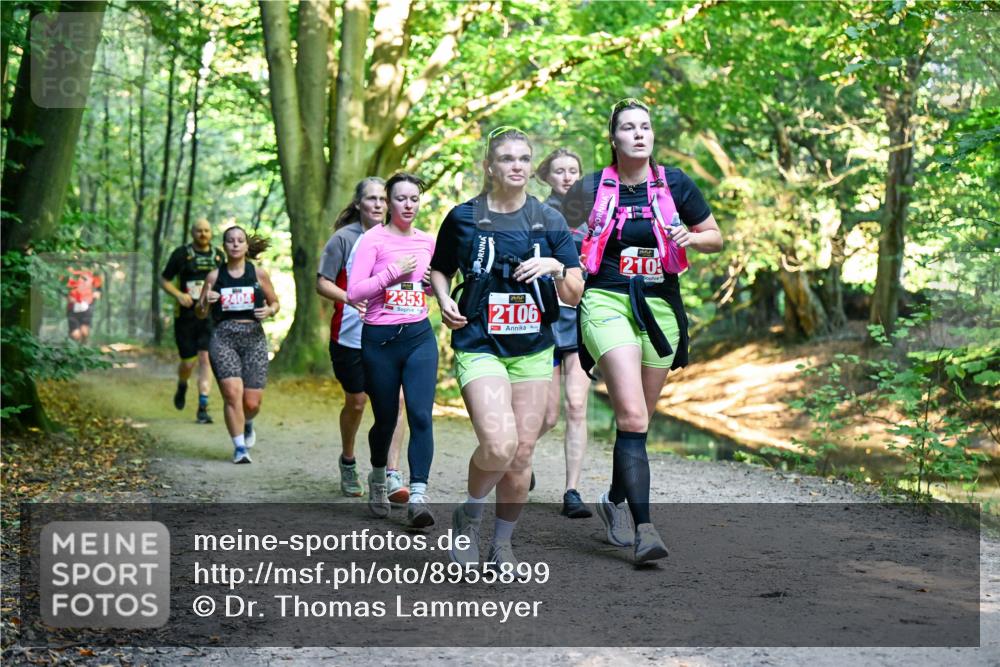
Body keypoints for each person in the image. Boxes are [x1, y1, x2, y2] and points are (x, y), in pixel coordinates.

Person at [562, 98, 723, 563]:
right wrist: (560, 270)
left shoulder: (674, 182)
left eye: (645, 127)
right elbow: (552, 234)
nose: (638, 134)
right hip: (606, 300)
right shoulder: (590, 187)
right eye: (628, 128)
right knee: (632, 416)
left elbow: (713, 235)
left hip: (660, 304)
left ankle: (613, 500)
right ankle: (645, 529)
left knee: (639, 423)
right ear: (613, 139)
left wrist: (691, 238)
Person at [430, 127, 583, 568]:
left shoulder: (550, 220)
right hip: (479, 344)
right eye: (506, 158)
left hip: (533, 349)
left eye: (523, 158)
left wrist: (556, 267)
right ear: (490, 166)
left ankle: (502, 544)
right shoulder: (463, 217)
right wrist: (442, 300)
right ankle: (469, 516)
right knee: (498, 445)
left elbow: (574, 291)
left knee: (521, 456)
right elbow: (439, 270)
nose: (516, 165)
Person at [347, 173, 438, 527]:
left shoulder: (427, 242)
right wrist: (392, 274)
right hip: (380, 340)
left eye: (414, 198)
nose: (408, 205)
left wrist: (431, 286)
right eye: (401, 198)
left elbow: (429, 288)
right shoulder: (373, 240)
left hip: (418, 336)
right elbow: (355, 292)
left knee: (419, 414)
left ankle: (418, 496)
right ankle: (378, 475)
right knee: (385, 418)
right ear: (388, 202)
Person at [317, 178, 410, 502]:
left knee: (397, 402)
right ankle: (348, 460)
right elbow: (322, 282)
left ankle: (390, 474)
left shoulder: (399, 237)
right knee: (356, 403)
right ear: (358, 204)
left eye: (382, 199)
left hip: (389, 335)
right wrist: (349, 296)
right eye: (370, 199)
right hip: (350, 336)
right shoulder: (344, 239)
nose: (377, 204)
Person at [534, 148, 592, 518]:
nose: (568, 176)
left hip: (584, 318)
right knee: (549, 415)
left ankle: (572, 491)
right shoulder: (537, 213)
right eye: (560, 171)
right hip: (547, 318)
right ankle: (515, 452)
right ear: (547, 176)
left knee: (576, 406)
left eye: (573, 170)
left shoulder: (595, 214)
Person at [195, 226, 279, 464]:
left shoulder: (258, 274)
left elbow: (275, 303)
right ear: (224, 246)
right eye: (230, 241)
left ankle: (248, 422)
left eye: (239, 240)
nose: (235, 244)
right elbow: (200, 313)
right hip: (224, 337)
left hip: (253, 337)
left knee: (251, 402)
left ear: (245, 246)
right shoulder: (214, 277)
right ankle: (240, 447)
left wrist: (269, 310)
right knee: (232, 394)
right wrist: (204, 302)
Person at [160, 218, 225, 424]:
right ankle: (182, 384)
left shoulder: (219, 257)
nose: (203, 234)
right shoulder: (181, 254)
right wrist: (178, 294)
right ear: (192, 232)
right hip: (186, 316)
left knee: (206, 359)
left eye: (207, 230)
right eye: (199, 231)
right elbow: (164, 280)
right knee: (188, 363)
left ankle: (203, 406)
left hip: (210, 316)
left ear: (211, 233)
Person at [66, 268, 102, 344]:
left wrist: (97, 293)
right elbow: (61, 286)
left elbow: (99, 287)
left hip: (87, 304)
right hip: (73, 306)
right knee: (75, 334)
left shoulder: (91, 272)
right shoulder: (69, 270)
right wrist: (67, 296)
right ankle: (71, 349)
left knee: (84, 332)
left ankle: (83, 349)